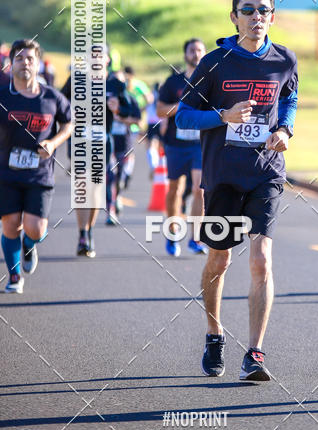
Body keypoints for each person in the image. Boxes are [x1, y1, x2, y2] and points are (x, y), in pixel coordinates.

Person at [175, 0, 298, 381]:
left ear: (272, 17)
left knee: (262, 260)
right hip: (223, 177)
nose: (257, 17)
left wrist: (285, 130)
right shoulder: (213, 63)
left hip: (266, 174)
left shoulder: (284, 60)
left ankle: (256, 353)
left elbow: (289, 99)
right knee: (220, 258)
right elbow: (183, 117)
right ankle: (214, 334)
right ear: (234, 16)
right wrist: (221, 117)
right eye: (248, 10)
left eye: (263, 10)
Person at [0, 39, 72, 293]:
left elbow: (69, 123)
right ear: (11, 63)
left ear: (38, 63)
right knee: (10, 224)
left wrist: (53, 142)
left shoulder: (51, 97)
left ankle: (29, 246)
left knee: (36, 229)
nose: (25, 63)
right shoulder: (3, 95)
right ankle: (15, 276)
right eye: (19, 58)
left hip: (39, 175)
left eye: (30, 58)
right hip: (6, 172)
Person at [61, 48, 140, 251]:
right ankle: (82, 235)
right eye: (91, 55)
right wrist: (72, 110)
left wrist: (117, 109)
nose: (95, 58)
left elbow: (131, 114)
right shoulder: (76, 80)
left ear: (107, 59)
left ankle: (89, 230)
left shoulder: (116, 84)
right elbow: (58, 104)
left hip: (102, 142)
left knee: (95, 191)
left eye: (99, 55)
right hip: (79, 140)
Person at [156, 40, 207, 256]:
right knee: (175, 189)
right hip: (175, 143)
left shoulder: (209, 81)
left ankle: (195, 239)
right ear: (185, 54)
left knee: (199, 189)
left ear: (204, 54)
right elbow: (159, 111)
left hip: (200, 143)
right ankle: (173, 232)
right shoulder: (173, 82)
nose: (195, 54)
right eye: (191, 50)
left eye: (199, 51)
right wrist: (181, 109)